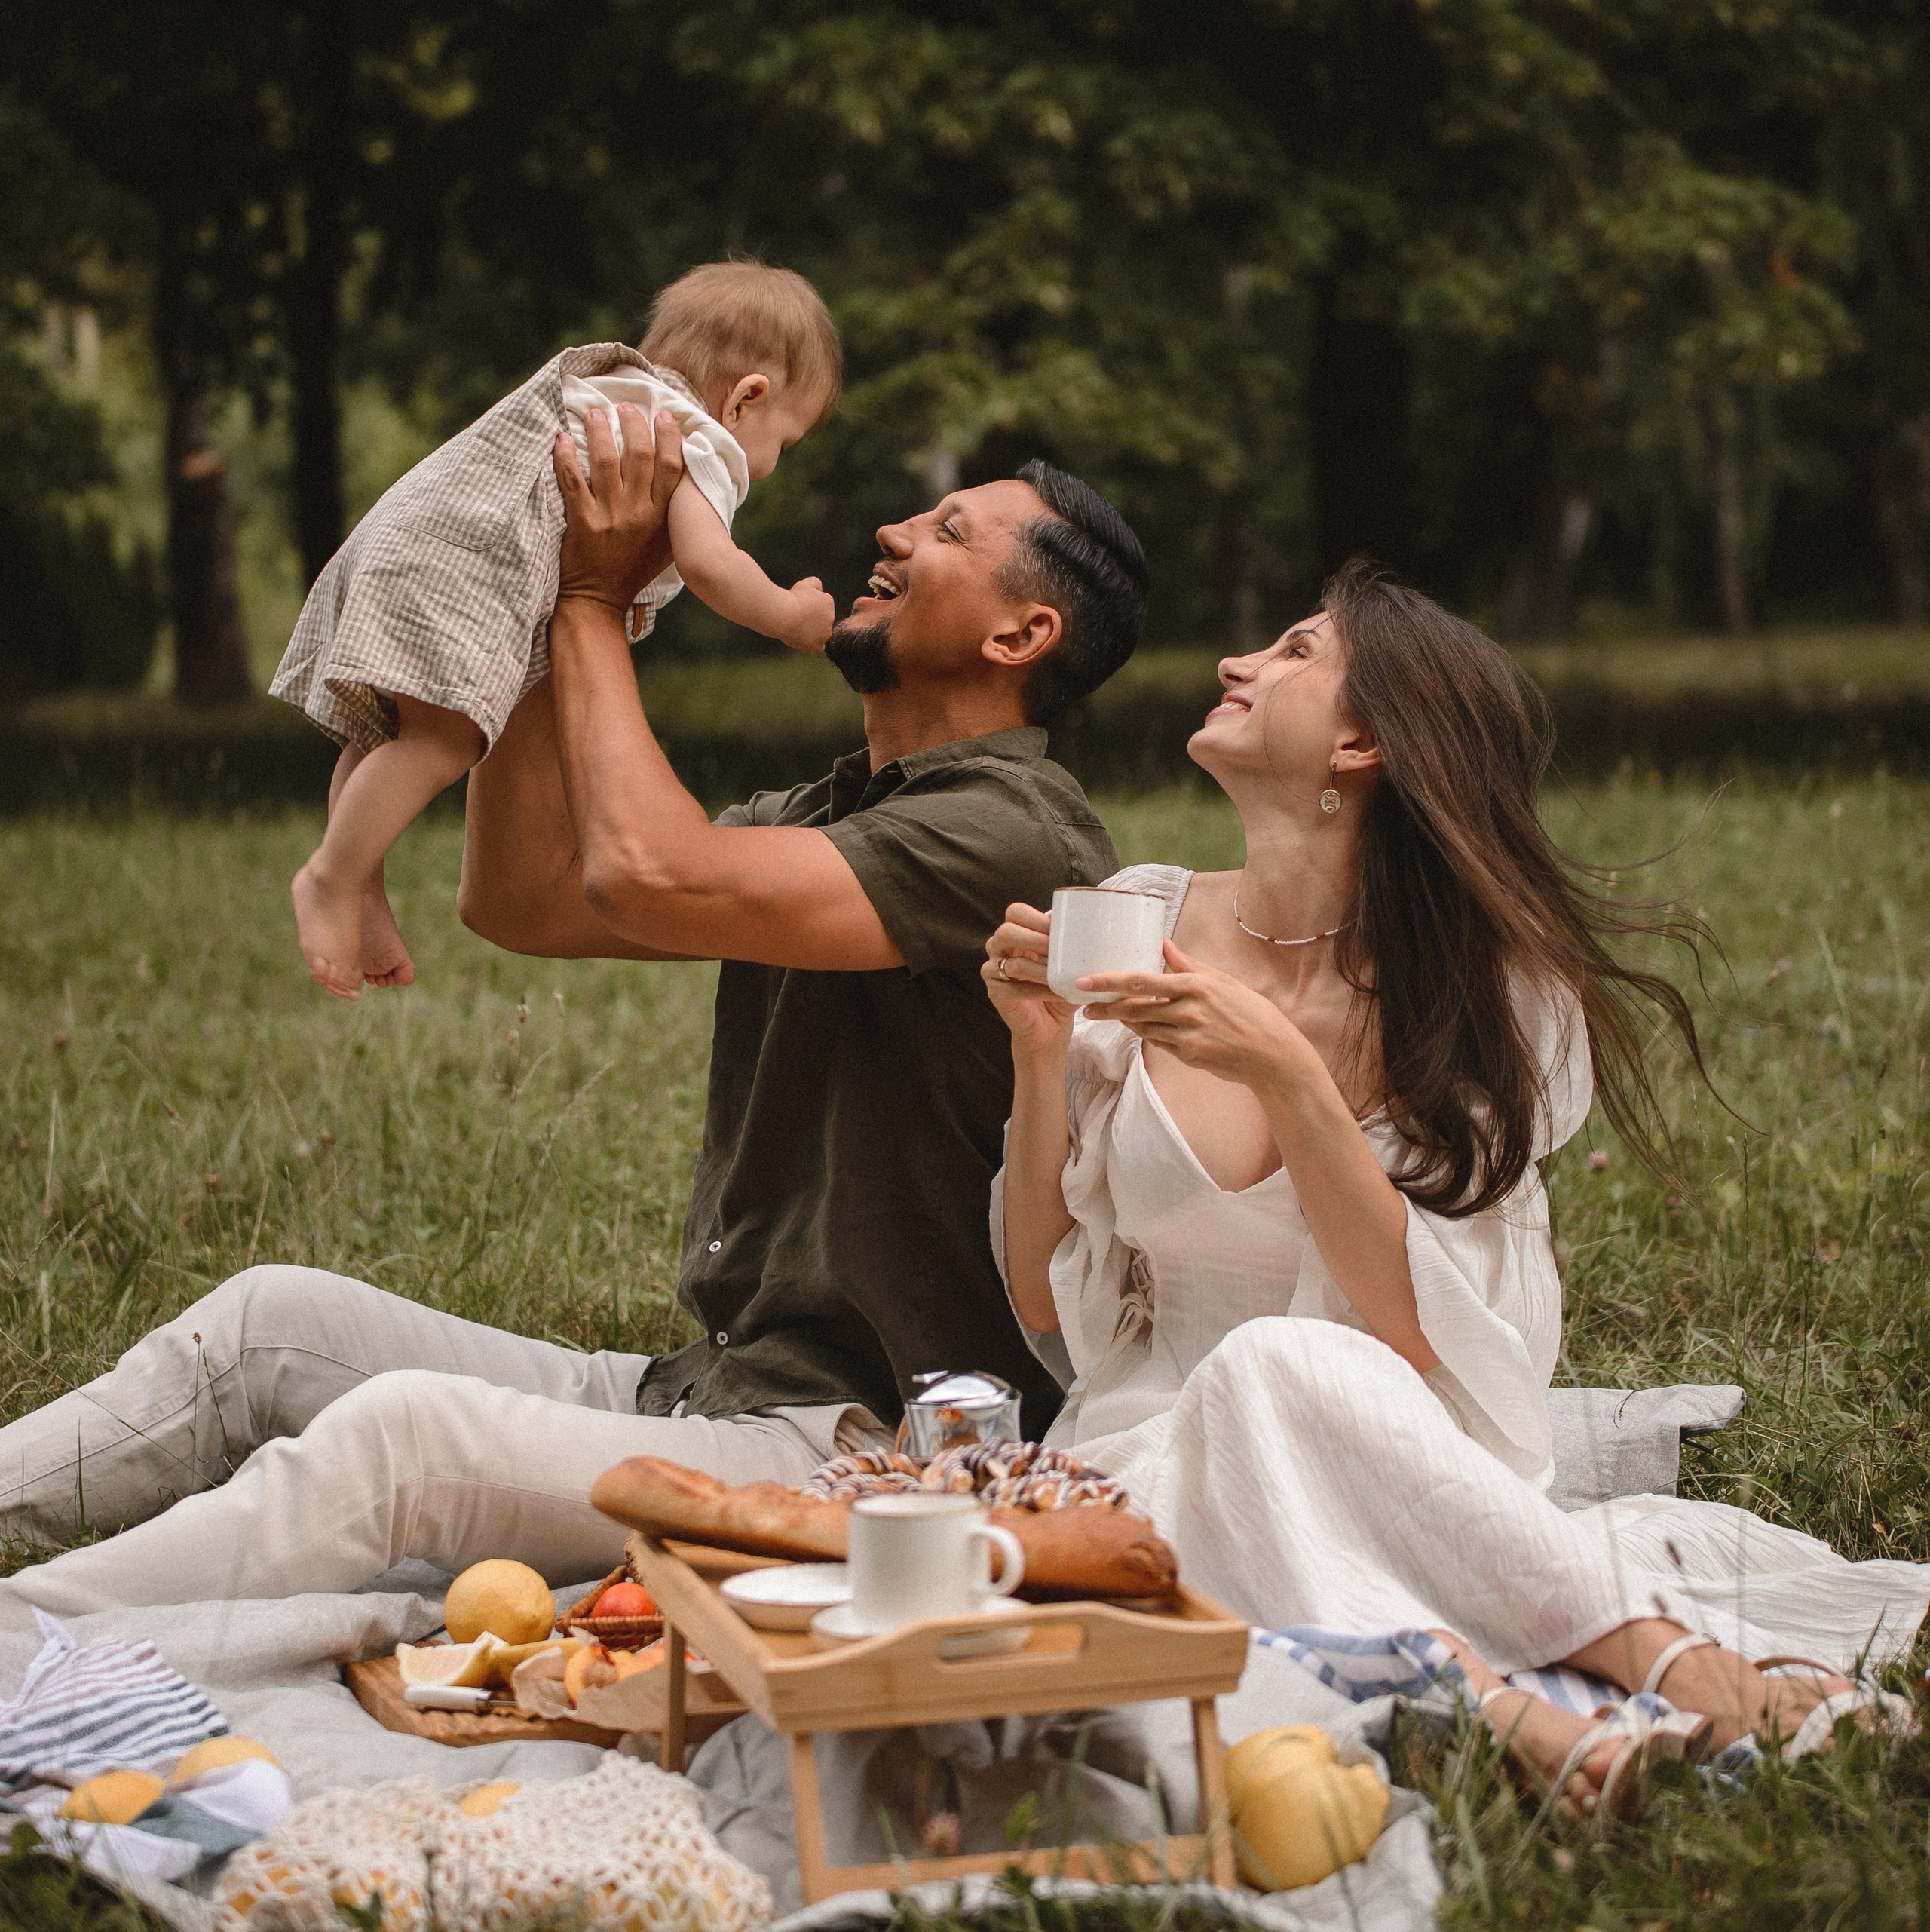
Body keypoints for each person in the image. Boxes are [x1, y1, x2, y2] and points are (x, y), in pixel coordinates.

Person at [0, 406, 1147, 1629]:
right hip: (718, 1385)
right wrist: (550, 596)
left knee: (397, 1443)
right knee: (267, 1322)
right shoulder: (841, 811)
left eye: (948, 530)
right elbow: (526, 896)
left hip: (869, 1452)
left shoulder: (1015, 830)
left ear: (1025, 630)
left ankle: (22, 1650)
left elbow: (650, 871)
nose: (895, 528)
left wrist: (600, 604)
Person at [982, 561, 1915, 1821]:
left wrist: (1284, 1074)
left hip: (1403, 1462)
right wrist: (1040, 1053)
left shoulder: (1486, 994)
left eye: (1297, 650)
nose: (1236, 662)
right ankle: (1549, 1693)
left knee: (1279, 1365)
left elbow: (1431, 1336)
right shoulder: (1135, 921)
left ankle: (1595, 1681)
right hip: (1147, 1464)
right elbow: (1047, 1291)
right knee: (1241, 1390)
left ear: (1362, 741)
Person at [271, 260, 842, 1000]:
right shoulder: (694, 436)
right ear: (747, 398)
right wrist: (785, 612)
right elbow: (710, 563)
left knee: (387, 733)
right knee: (444, 739)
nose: (767, 467)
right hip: (465, 564)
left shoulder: (610, 393)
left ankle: (359, 884)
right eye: (784, 443)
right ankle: (331, 879)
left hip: (403, 539)